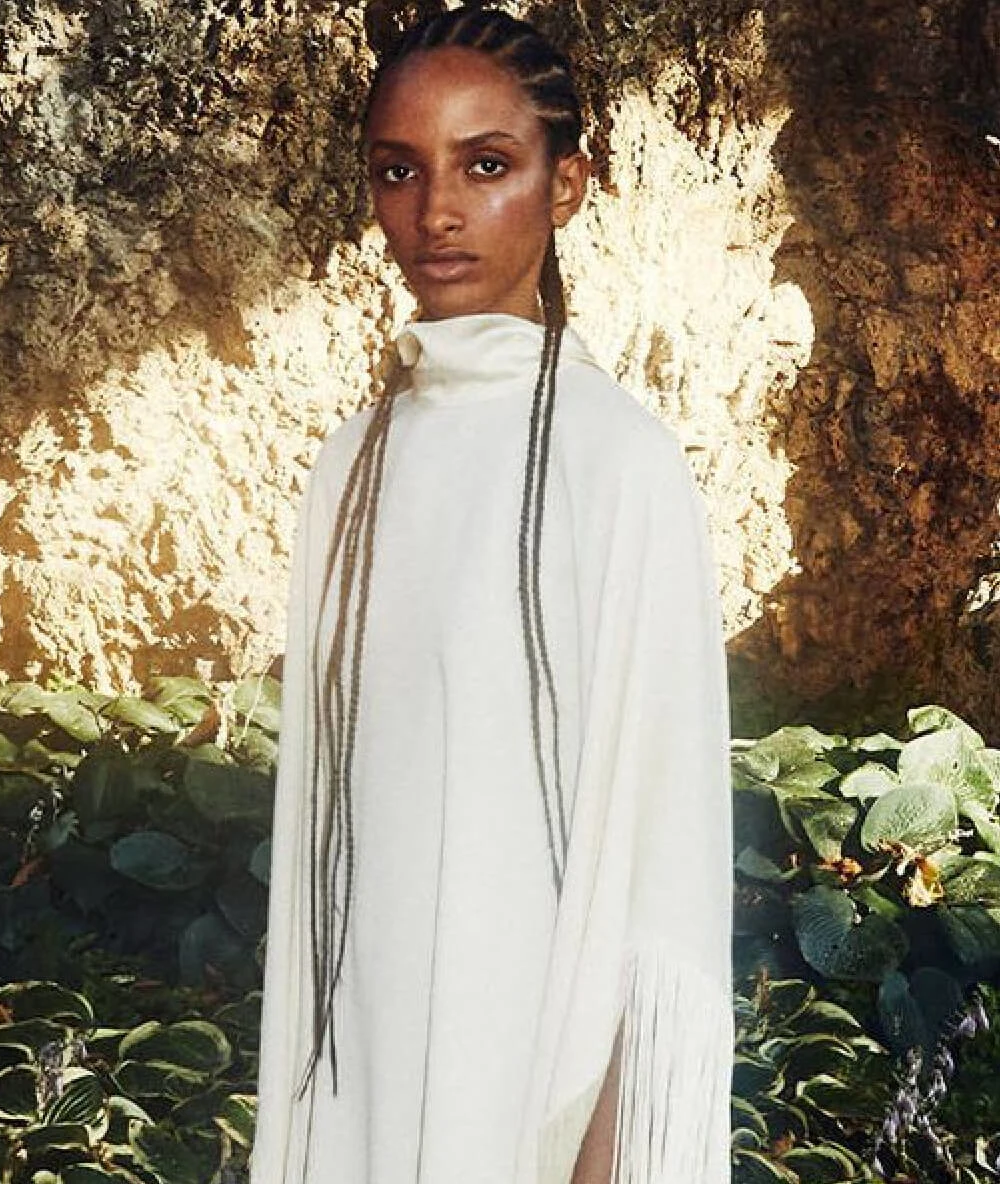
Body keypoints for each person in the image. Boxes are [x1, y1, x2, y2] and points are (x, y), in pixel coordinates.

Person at [251, 8, 733, 1184]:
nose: (437, 212)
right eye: (398, 170)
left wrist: (614, 1153)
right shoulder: (349, 465)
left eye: (487, 164)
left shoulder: (616, 461)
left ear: (566, 187)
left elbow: (667, 860)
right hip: (357, 1061)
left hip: (537, 1076)